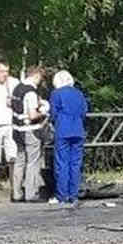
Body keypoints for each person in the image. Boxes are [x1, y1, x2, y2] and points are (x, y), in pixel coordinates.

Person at [49, 70, 88, 208]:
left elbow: (53, 113)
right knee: (75, 164)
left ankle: (62, 195)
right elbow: (84, 111)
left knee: (62, 163)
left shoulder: (56, 94)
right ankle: (73, 195)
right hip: (78, 130)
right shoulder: (79, 93)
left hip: (63, 130)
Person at [11, 66, 50, 202]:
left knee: (20, 161)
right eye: (41, 78)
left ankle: (16, 194)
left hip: (16, 129)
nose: (41, 81)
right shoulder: (31, 92)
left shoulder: (17, 88)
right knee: (32, 162)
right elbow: (33, 115)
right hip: (30, 130)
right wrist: (44, 112)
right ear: (37, 75)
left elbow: (11, 104)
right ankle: (31, 194)